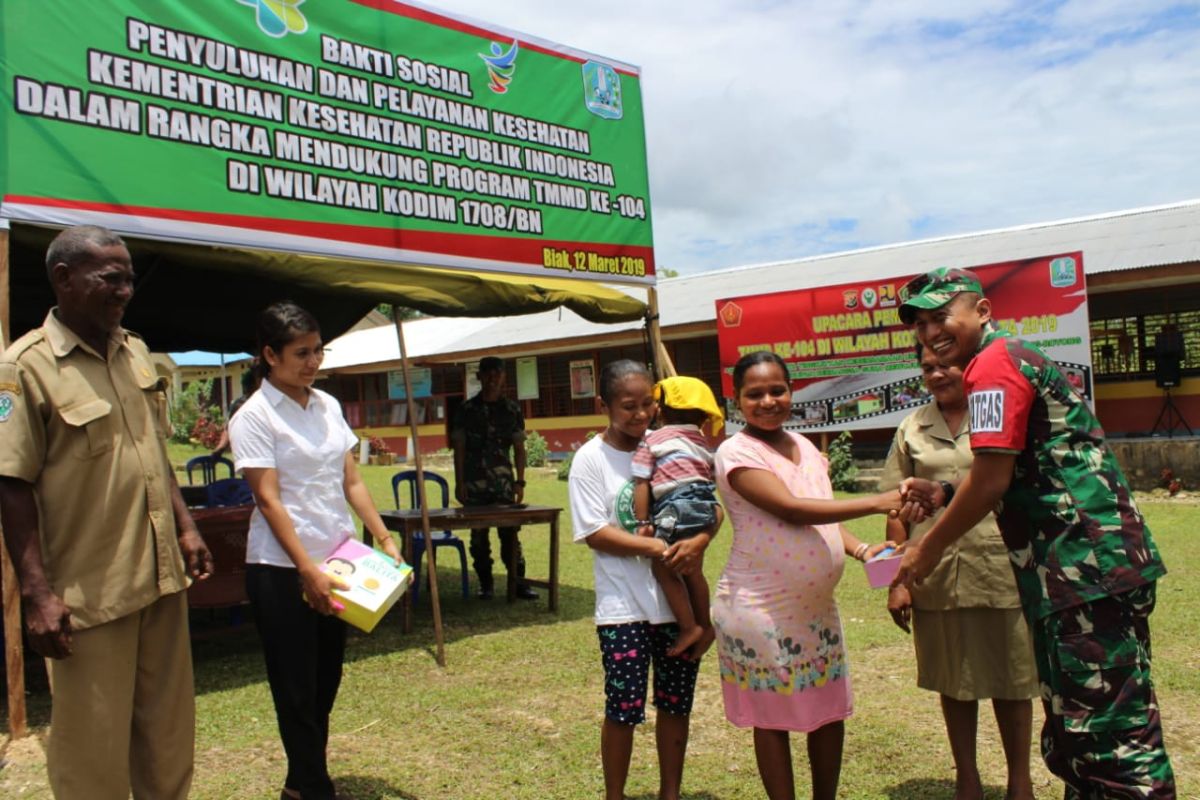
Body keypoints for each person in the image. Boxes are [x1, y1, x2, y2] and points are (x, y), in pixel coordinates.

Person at [894, 267, 1175, 798]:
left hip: (1083, 572)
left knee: (1112, 741)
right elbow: (1022, 465)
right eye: (921, 324)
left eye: (941, 316)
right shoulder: (999, 361)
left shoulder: (993, 365)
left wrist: (924, 550)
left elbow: (994, 477)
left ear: (982, 312)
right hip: (1080, 572)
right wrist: (947, 493)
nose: (930, 333)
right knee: (1079, 731)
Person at [0, 225, 213, 799]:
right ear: (63, 279)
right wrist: (38, 595)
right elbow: (10, 484)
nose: (124, 291)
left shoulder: (136, 351)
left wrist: (187, 528)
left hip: (161, 578)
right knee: (92, 757)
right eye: (110, 278)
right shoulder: (24, 368)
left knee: (168, 744)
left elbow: (155, 451)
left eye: (129, 279)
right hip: (88, 596)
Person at [229, 302, 404, 800]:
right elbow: (268, 498)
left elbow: (351, 479)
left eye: (317, 350)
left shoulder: (326, 405)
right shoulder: (255, 416)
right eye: (300, 353)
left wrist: (385, 539)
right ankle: (312, 785)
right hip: (282, 570)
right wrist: (305, 570)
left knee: (326, 679)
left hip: (339, 561)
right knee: (295, 686)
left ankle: (299, 782)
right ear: (269, 354)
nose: (313, 361)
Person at [711, 350, 902, 800]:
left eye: (777, 390)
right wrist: (878, 501)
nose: (768, 401)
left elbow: (824, 516)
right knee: (772, 718)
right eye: (754, 393)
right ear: (736, 401)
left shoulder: (807, 448)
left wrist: (861, 548)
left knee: (829, 709)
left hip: (816, 612)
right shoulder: (735, 452)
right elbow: (792, 509)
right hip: (760, 608)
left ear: (792, 391)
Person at [881, 344, 1037, 800]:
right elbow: (896, 511)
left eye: (946, 365)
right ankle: (966, 781)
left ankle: (1019, 783)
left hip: (1000, 566)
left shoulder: (995, 415)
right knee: (954, 681)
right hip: (934, 572)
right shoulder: (912, 427)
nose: (936, 374)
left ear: (968, 368)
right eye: (927, 367)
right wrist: (897, 581)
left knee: (1013, 680)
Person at [567, 359, 716, 800]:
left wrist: (701, 540)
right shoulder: (590, 460)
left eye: (648, 404)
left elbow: (712, 503)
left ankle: (670, 792)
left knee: (676, 704)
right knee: (624, 708)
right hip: (623, 609)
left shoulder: (669, 441)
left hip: (677, 607)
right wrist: (657, 548)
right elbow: (595, 533)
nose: (640, 415)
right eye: (628, 406)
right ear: (604, 406)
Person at [631, 375, 723, 658]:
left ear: (661, 410)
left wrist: (644, 522)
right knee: (693, 571)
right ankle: (705, 625)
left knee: (663, 568)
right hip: (704, 506)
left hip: (675, 507)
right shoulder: (701, 441)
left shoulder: (653, 440)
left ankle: (688, 627)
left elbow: (642, 482)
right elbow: (711, 477)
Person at [450, 356, 537, 599]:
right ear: (479, 377)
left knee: (510, 535)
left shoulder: (512, 410)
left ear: (503, 377)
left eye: (496, 374)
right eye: (487, 374)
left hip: (503, 485)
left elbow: (519, 447)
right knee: (479, 538)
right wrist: (459, 482)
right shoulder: (466, 410)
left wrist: (520, 481)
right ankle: (485, 584)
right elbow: (459, 447)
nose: (492, 379)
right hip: (474, 484)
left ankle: (518, 583)